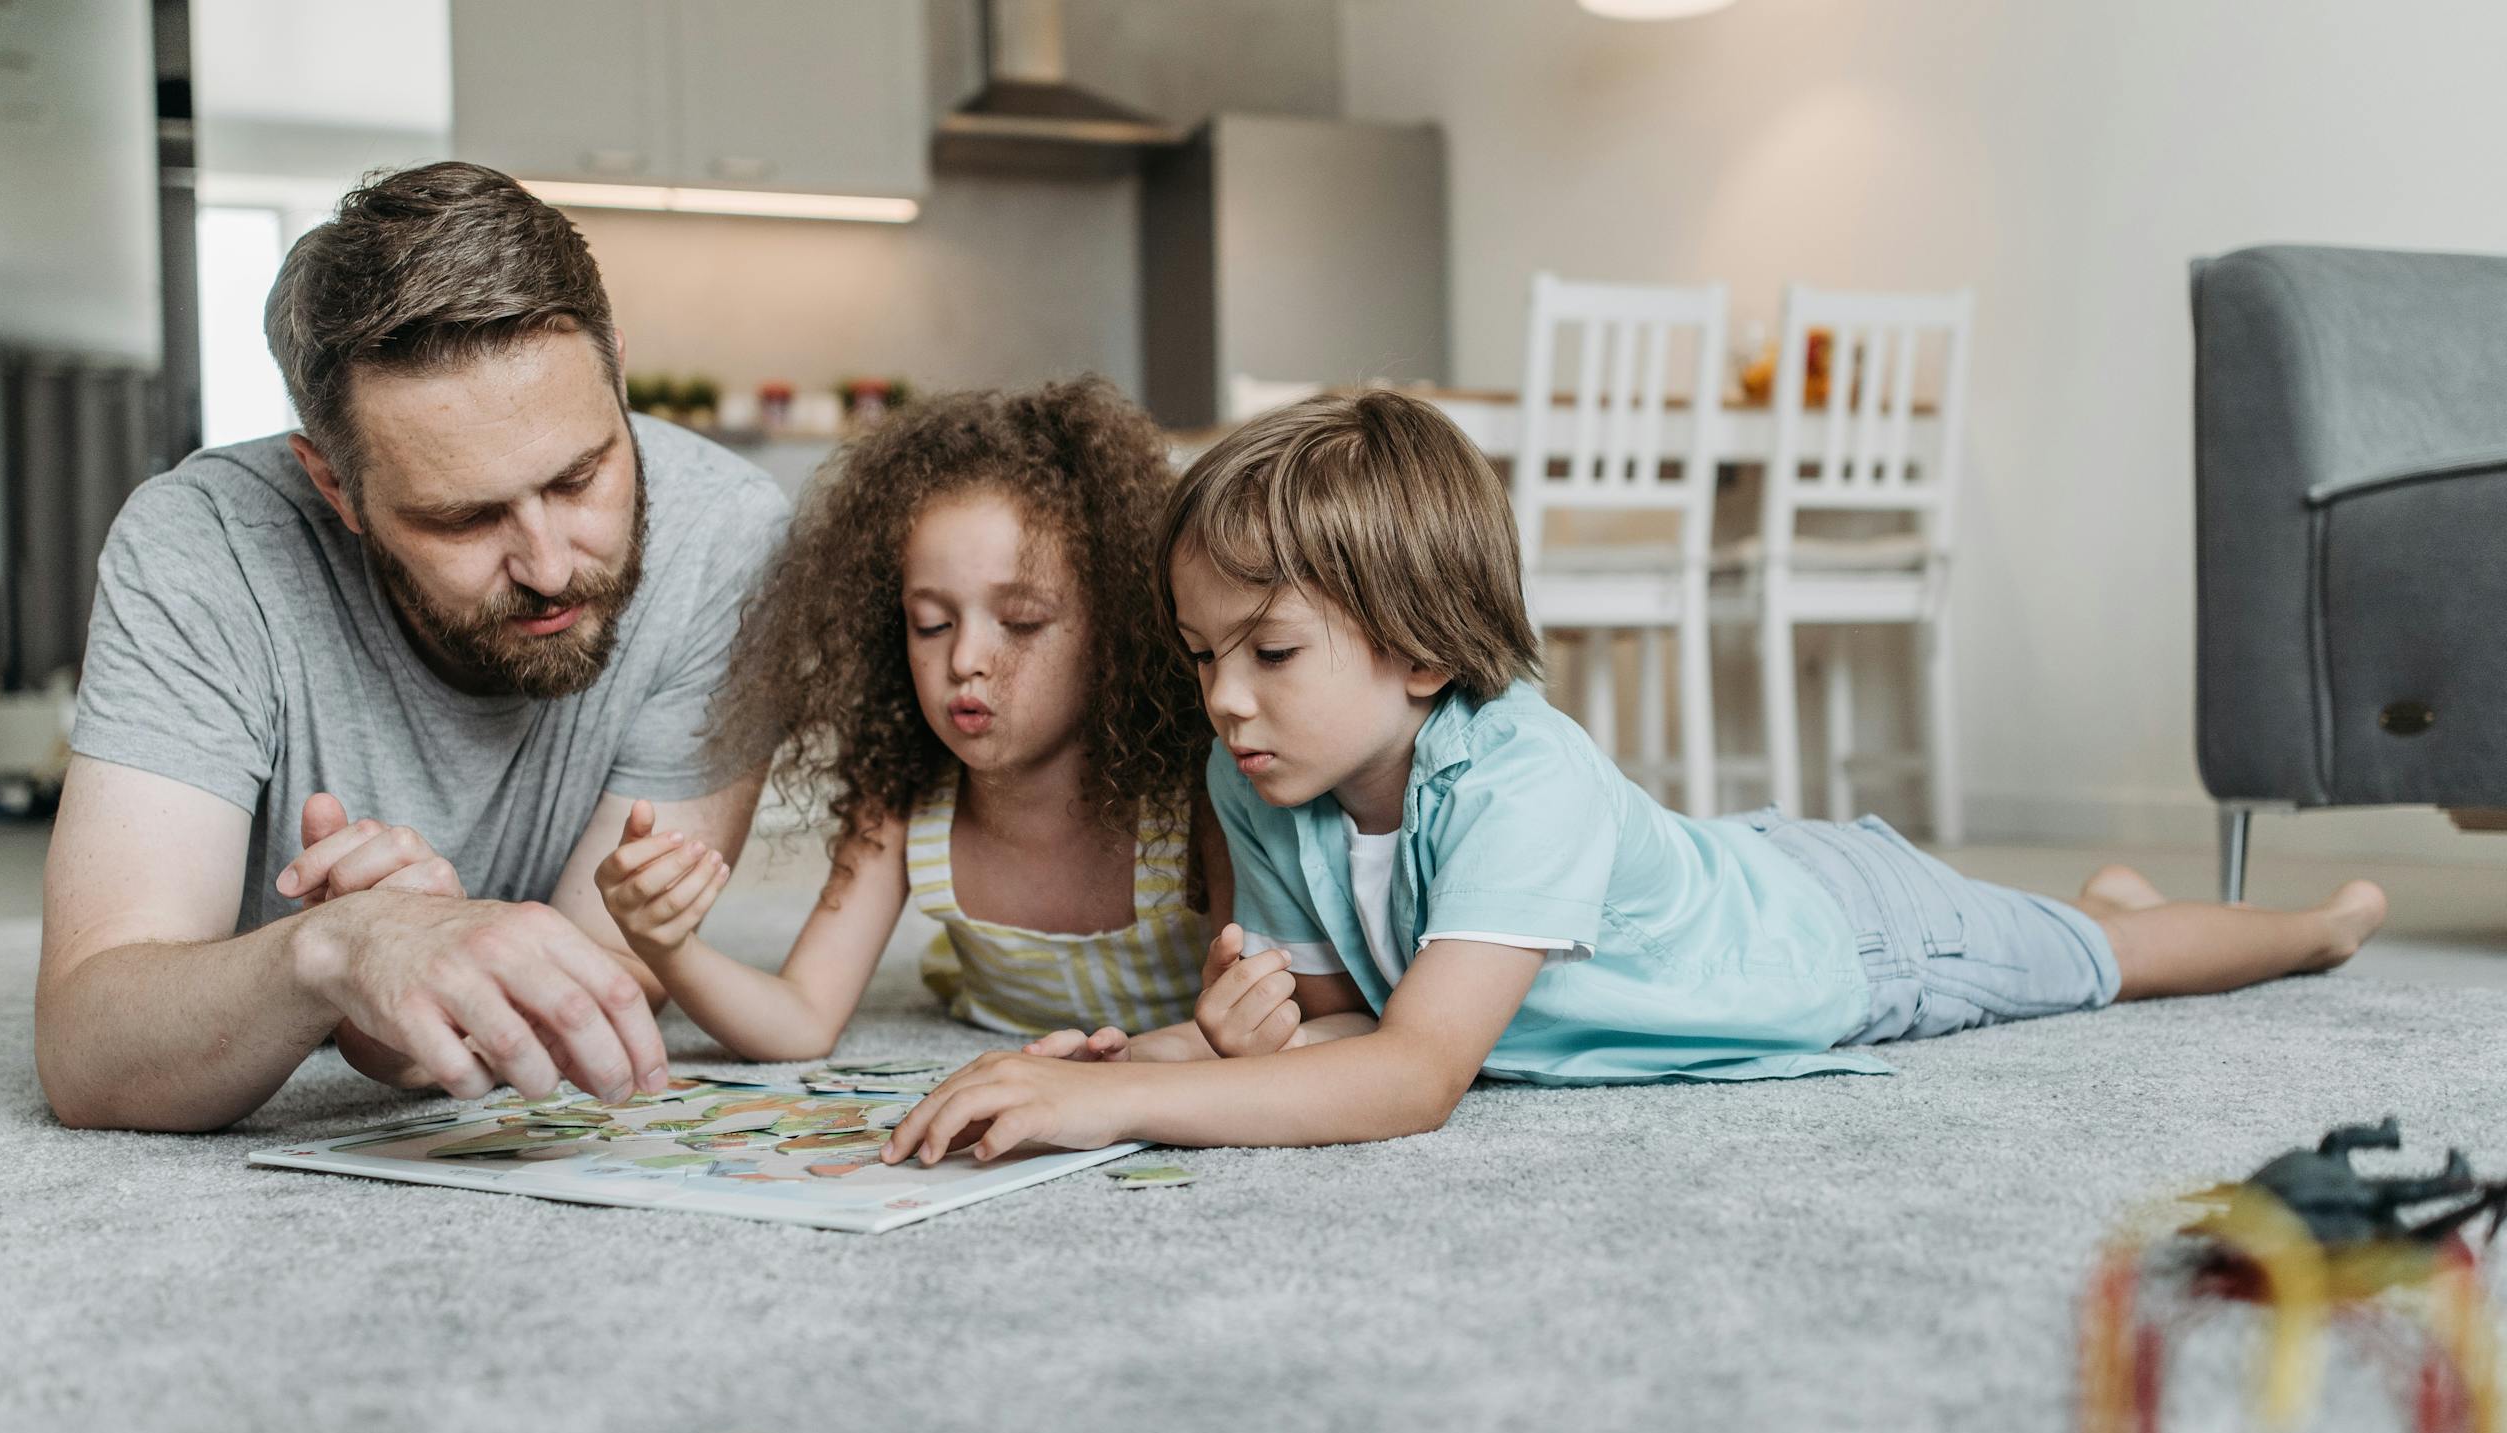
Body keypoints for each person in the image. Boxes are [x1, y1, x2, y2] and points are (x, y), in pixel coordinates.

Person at [878, 390, 2389, 1164]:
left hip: (1844, 938)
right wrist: (1169, 1047)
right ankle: (2089, 897)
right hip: (1710, 874)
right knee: (2061, 925)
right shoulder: (1252, 776)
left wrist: (1125, 1115)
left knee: (2097, 961)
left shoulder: (1522, 775)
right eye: (1204, 655)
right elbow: (1353, 1000)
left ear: (1417, 648)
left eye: (1267, 653)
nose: (1221, 699)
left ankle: (2308, 925)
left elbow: (1412, 1077)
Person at [34, 163, 788, 1131]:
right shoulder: (200, 545)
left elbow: (610, 978)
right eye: (462, 517)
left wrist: (391, 1027)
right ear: (333, 484)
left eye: (580, 476)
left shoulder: (726, 536)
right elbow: (92, 1052)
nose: (550, 565)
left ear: (618, 373)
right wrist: (337, 950)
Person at [594, 379, 1224, 1058]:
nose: (966, 658)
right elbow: (801, 1017)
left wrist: (1140, 1065)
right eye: (931, 623)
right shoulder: (903, 802)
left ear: (1116, 629)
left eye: (1020, 622)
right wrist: (666, 944)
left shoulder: (1198, 793)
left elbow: (1265, 1008)